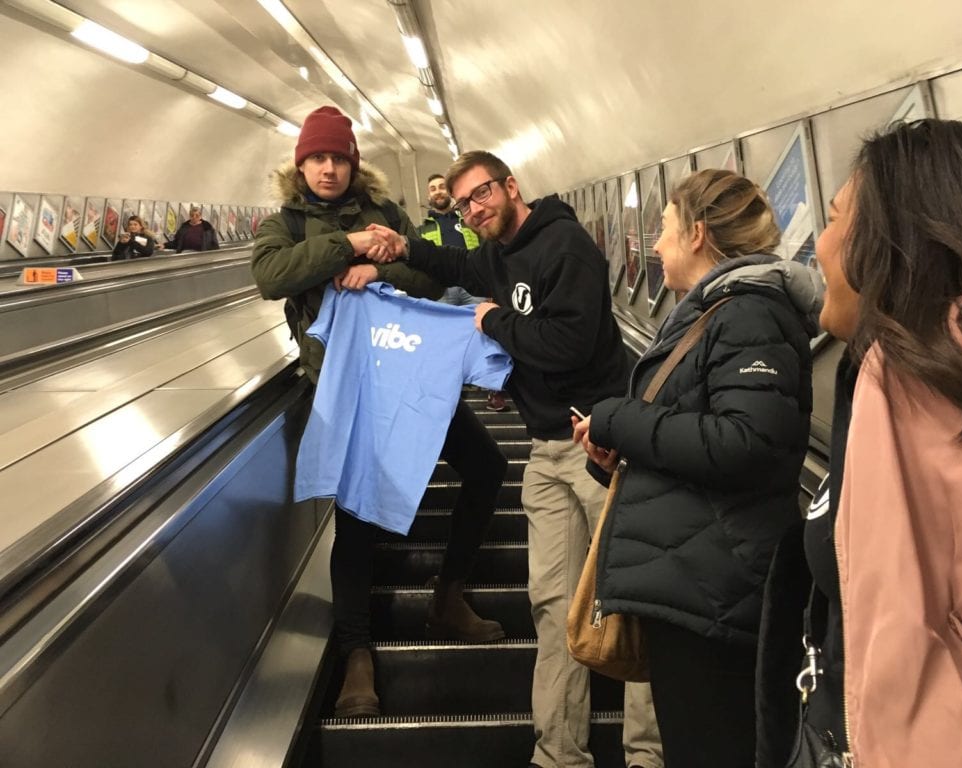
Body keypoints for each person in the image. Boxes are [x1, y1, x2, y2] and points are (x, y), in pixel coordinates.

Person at [363, 150, 662, 768]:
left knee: (630, 603)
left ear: (510, 186)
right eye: (466, 201)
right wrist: (399, 249)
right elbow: (454, 261)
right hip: (547, 453)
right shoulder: (495, 250)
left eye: (483, 194)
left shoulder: (567, 247)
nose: (475, 209)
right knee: (552, 605)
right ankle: (559, 754)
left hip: (602, 447)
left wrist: (495, 322)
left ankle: (647, 756)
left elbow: (570, 345)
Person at [251, 107, 509, 718]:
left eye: (339, 157)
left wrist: (378, 264)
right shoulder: (283, 223)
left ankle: (448, 595)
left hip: (410, 375)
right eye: (318, 158)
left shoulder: (388, 214)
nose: (329, 168)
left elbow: (428, 274)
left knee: (488, 466)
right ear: (301, 163)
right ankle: (356, 654)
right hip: (345, 388)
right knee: (357, 515)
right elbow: (270, 276)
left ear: (353, 162)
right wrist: (346, 245)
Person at [787, 119, 962, 768]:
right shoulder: (928, 378)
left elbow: (908, 654)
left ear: (894, 240)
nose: (821, 243)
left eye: (835, 217)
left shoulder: (920, 379)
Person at [572, 169, 822, 768]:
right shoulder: (715, 312)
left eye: (663, 230)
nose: (654, 246)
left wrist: (616, 418)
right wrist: (618, 462)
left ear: (698, 234)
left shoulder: (748, 315)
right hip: (697, 577)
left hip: (717, 590)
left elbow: (747, 441)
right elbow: (701, 449)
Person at [420, 172, 510, 413]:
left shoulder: (468, 218)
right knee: (444, 340)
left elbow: (486, 247)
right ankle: (447, 395)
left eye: (441, 187)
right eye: (433, 188)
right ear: (429, 195)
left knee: (485, 334)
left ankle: (493, 390)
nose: (438, 191)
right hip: (441, 288)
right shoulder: (422, 229)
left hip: (473, 285)